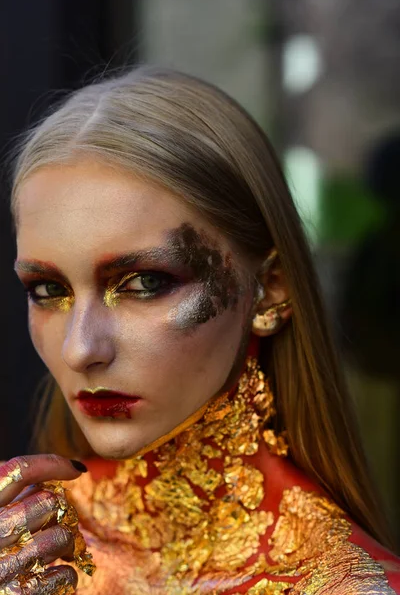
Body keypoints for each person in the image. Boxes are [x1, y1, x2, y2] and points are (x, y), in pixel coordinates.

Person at [1, 67, 399, 594]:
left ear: (271, 289)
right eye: (48, 291)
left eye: (144, 282)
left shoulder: (346, 584)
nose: (80, 349)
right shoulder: (28, 550)